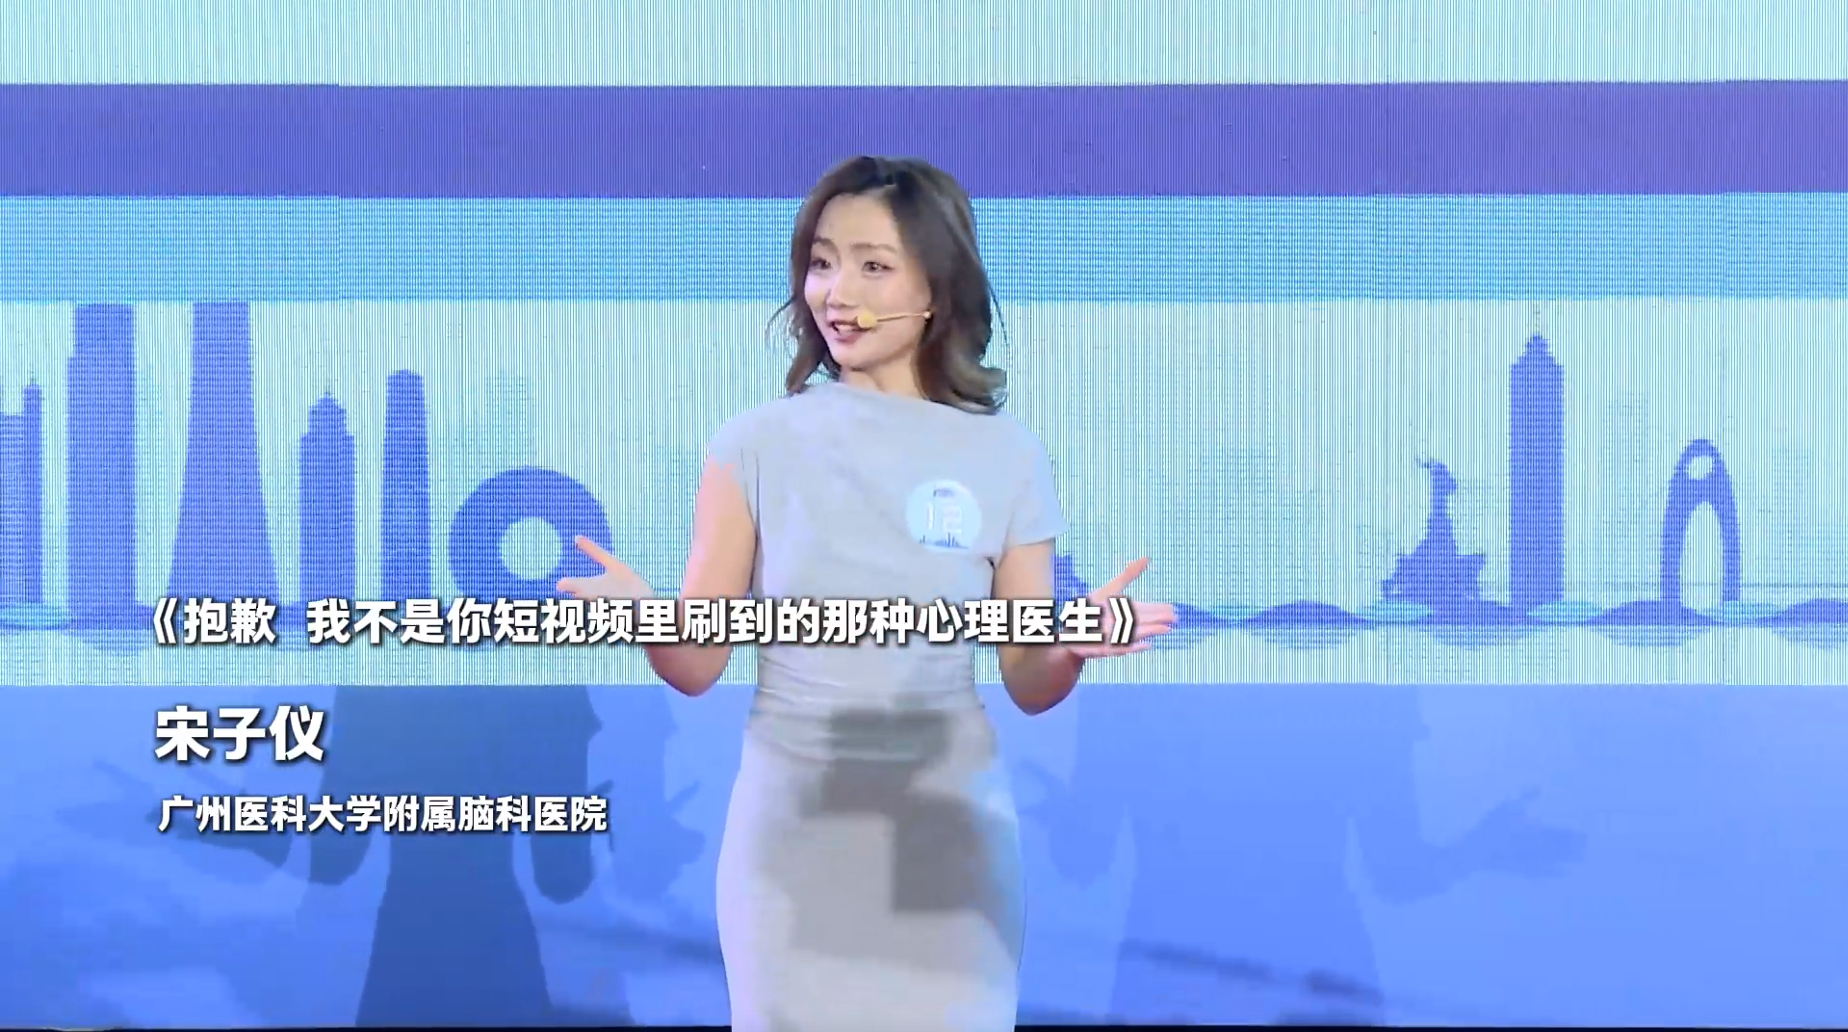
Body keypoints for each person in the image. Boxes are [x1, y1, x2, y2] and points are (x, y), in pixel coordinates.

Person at [557, 155, 1174, 1032]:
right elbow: (695, 664)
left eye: (872, 266)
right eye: (821, 263)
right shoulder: (753, 444)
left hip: (947, 842)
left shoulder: (1005, 454)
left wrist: (1069, 646)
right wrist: (645, 615)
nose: (836, 292)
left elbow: (1028, 679)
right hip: (792, 839)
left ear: (936, 288)